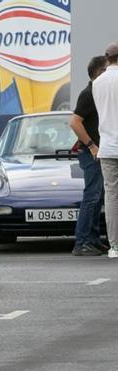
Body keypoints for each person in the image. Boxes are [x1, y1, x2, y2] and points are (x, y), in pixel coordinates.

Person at [70, 56, 109, 256]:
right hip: (90, 153)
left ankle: (93, 239)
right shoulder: (89, 94)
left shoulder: (99, 92)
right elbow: (75, 122)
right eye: (107, 69)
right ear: (99, 72)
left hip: (98, 152)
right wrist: (92, 146)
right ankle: (82, 242)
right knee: (92, 196)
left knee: (98, 196)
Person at [94, 43, 118, 258]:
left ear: (107, 59)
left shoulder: (97, 83)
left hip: (108, 146)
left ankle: (115, 246)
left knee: (111, 196)